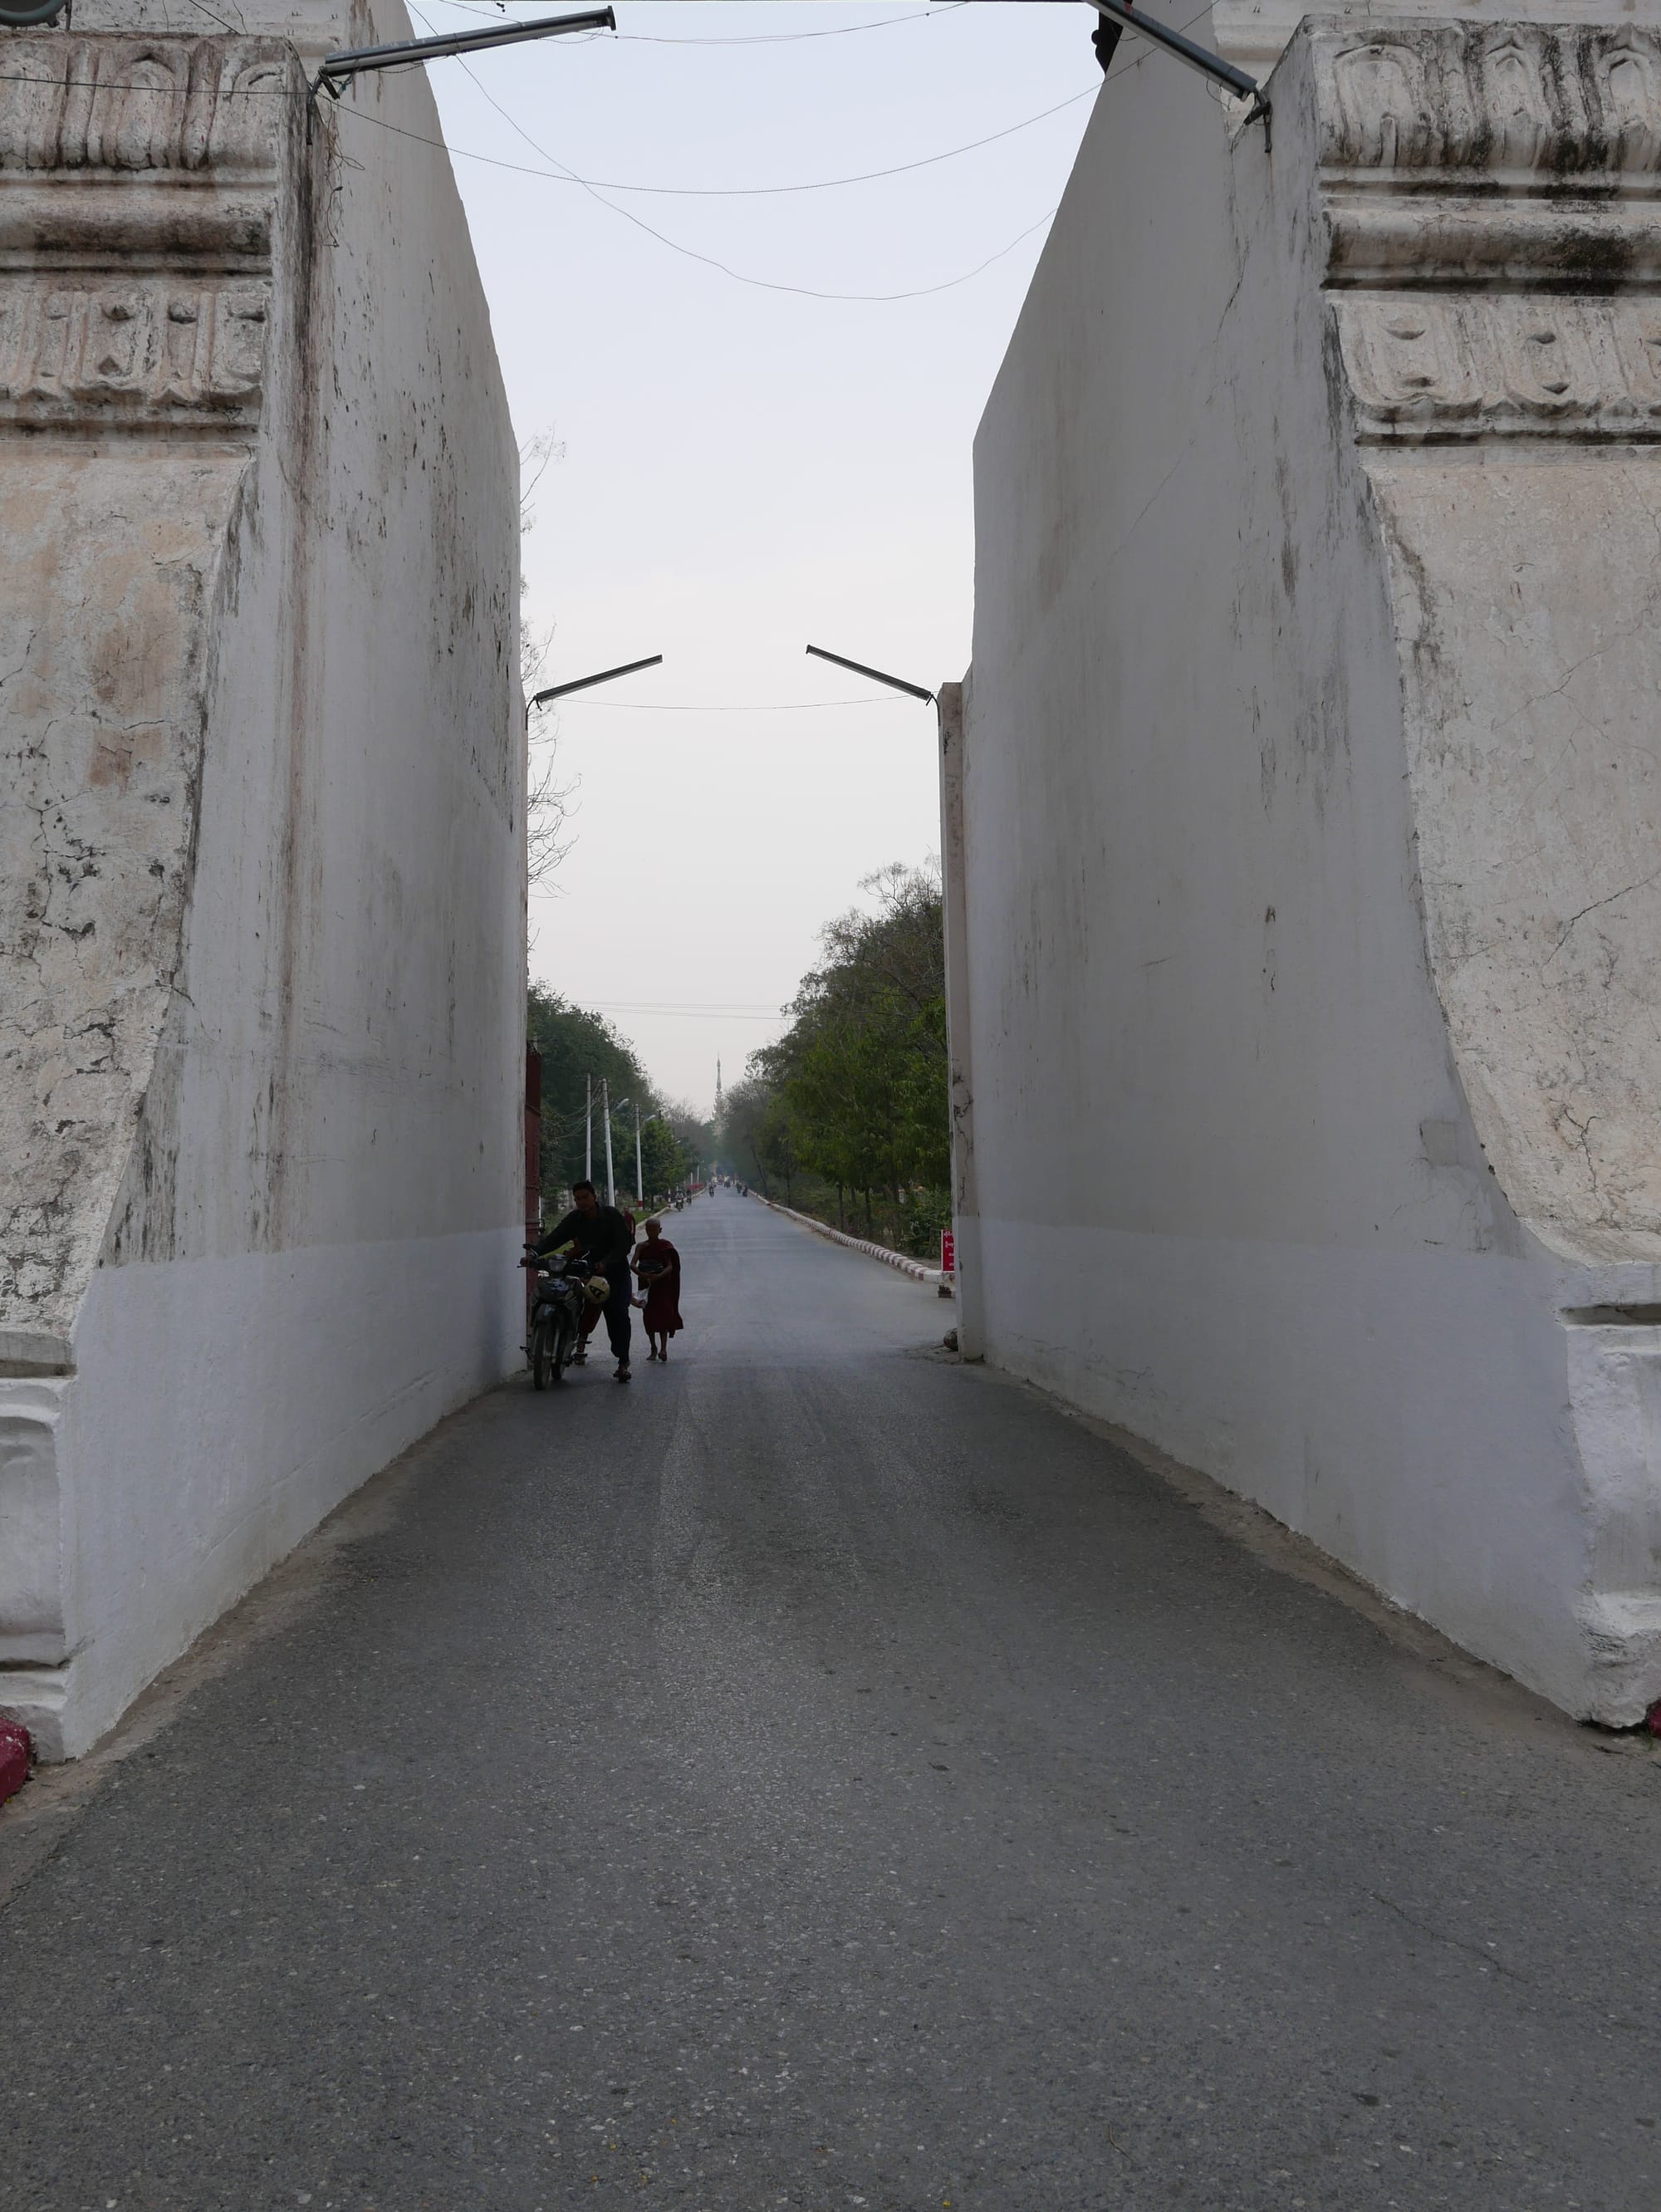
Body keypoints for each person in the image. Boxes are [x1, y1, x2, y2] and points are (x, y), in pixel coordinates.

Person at [532, 1180, 635, 1382]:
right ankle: (568, 1345)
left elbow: (624, 1245)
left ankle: (623, 1362)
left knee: (618, 1315)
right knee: (571, 1302)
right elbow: (556, 1238)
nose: (582, 1202)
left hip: (615, 1273)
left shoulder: (611, 1215)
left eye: (585, 1197)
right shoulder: (575, 1219)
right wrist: (535, 1253)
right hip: (588, 1272)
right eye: (577, 1199)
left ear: (594, 1197)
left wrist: (606, 1263)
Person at [630, 1217, 683, 1362]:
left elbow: (670, 1266)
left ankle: (663, 1349)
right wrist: (643, 1274)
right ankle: (653, 1347)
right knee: (649, 1318)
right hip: (646, 1286)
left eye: (654, 1229)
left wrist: (658, 1276)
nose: (651, 1232)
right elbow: (633, 1264)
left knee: (664, 1316)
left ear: (660, 1230)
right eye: (649, 1229)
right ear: (646, 1230)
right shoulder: (641, 1246)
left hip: (662, 1286)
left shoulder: (665, 1246)